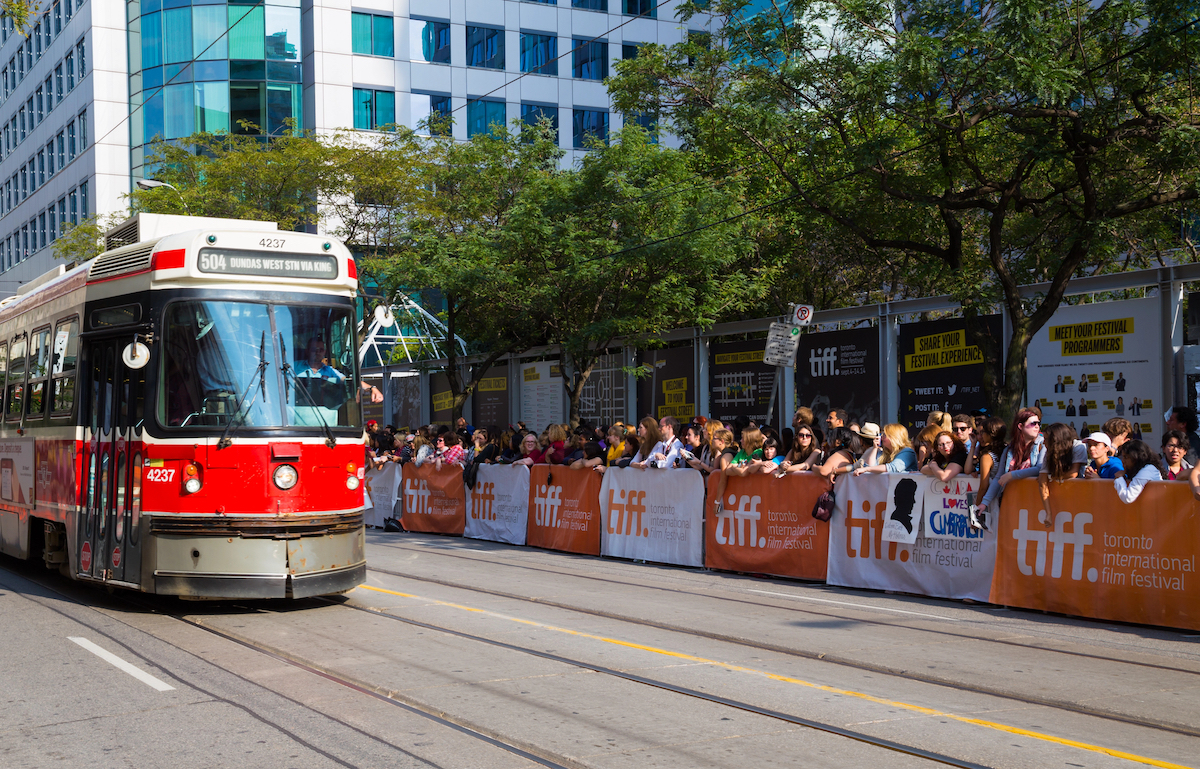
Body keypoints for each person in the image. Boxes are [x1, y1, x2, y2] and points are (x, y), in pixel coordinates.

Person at [973, 409, 1045, 522]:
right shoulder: (1009, 450)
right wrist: (984, 503)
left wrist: (1012, 475)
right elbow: (999, 477)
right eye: (1033, 423)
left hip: (1035, 501)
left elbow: (1039, 469)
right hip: (1011, 502)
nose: (1037, 426)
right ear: (1020, 426)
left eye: (1038, 423)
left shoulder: (1042, 445)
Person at [969, 416, 1007, 511]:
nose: (981, 436)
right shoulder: (1007, 449)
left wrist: (976, 510)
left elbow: (983, 486)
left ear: (991, 434)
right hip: (1005, 497)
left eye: (983, 432)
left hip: (992, 501)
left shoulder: (987, 457)